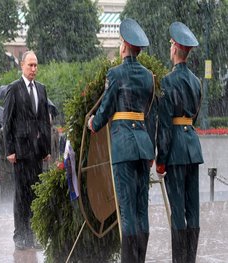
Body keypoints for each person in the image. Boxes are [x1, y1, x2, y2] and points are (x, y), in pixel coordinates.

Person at [88, 18, 155, 263]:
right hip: (143, 146)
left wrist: (93, 123)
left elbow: (105, 110)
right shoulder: (148, 76)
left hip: (124, 147)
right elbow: (149, 112)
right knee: (141, 210)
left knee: (127, 212)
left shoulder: (115, 73)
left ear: (125, 46)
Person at [156, 22, 203, 263]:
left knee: (178, 213)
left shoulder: (166, 82)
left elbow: (164, 125)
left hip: (174, 151)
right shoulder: (196, 81)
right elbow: (194, 116)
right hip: (192, 149)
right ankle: (190, 259)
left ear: (175, 49)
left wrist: (161, 160)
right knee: (193, 210)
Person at [3, 50, 51, 250]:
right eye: (30, 65)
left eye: (36, 65)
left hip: (37, 152)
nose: (34, 69)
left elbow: (44, 121)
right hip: (21, 152)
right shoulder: (14, 89)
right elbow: (7, 121)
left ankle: (34, 234)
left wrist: (47, 148)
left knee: (36, 195)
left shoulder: (41, 89)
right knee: (22, 195)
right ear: (22, 65)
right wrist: (10, 150)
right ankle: (20, 235)